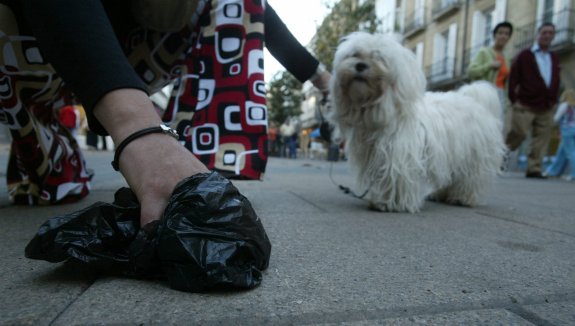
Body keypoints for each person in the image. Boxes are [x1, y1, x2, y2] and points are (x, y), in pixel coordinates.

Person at [0, 0, 331, 226]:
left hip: (133, 46)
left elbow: (261, 16)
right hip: (25, 54)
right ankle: (39, 131)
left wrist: (324, 80)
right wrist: (136, 128)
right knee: (49, 184)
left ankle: (202, 165)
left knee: (237, 2)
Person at [505, 23, 561, 179]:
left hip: (547, 105)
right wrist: (513, 99)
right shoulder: (525, 55)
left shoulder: (554, 57)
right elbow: (513, 78)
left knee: (541, 138)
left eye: (551, 33)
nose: (547, 35)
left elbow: (555, 79)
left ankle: (534, 168)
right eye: (544, 32)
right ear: (538, 34)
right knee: (518, 133)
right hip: (525, 103)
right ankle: (499, 157)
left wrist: (554, 99)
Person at [467, 21, 513, 132]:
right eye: (500, 33)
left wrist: (507, 100)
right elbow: (471, 71)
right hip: (484, 95)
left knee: (497, 127)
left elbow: (506, 82)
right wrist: (489, 66)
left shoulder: (507, 58)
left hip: (500, 95)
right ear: (494, 35)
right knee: (481, 127)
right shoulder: (484, 52)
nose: (503, 36)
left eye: (506, 34)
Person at [544, 89, 575, 181]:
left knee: (571, 152)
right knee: (562, 152)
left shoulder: (565, 105)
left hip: (567, 130)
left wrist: (548, 124)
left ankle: (574, 174)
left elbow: (556, 118)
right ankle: (553, 171)